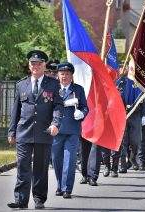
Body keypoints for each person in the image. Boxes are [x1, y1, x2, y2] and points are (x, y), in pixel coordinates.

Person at [7, 50, 62, 209]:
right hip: (24, 132)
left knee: (40, 168)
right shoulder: (21, 84)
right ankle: (21, 200)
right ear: (29, 65)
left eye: (39, 63)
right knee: (23, 166)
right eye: (33, 63)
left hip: (44, 132)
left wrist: (56, 123)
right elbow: (15, 111)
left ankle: (39, 199)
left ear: (44, 65)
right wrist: (12, 132)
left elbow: (58, 106)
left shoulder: (53, 84)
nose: (35, 66)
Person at [52, 62, 89, 199]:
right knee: (56, 159)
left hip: (72, 129)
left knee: (70, 159)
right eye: (62, 74)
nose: (64, 76)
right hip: (56, 129)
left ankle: (67, 188)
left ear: (72, 76)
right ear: (58, 75)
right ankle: (59, 185)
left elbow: (85, 107)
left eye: (67, 74)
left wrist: (82, 113)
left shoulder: (78, 90)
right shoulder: (53, 89)